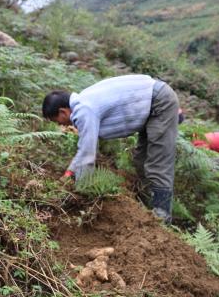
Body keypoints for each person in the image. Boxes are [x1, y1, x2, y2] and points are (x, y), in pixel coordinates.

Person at [42, 75, 179, 223]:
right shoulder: (83, 102)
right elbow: (84, 149)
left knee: (158, 163)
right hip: (150, 101)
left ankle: (162, 217)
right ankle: (148, 208)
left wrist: (81, 191)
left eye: (56, 121)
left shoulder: (84, 110)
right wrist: (69, 173)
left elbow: (87, 154)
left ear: (63, 112)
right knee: (141, 160)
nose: (60, 126)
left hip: (159, 102)